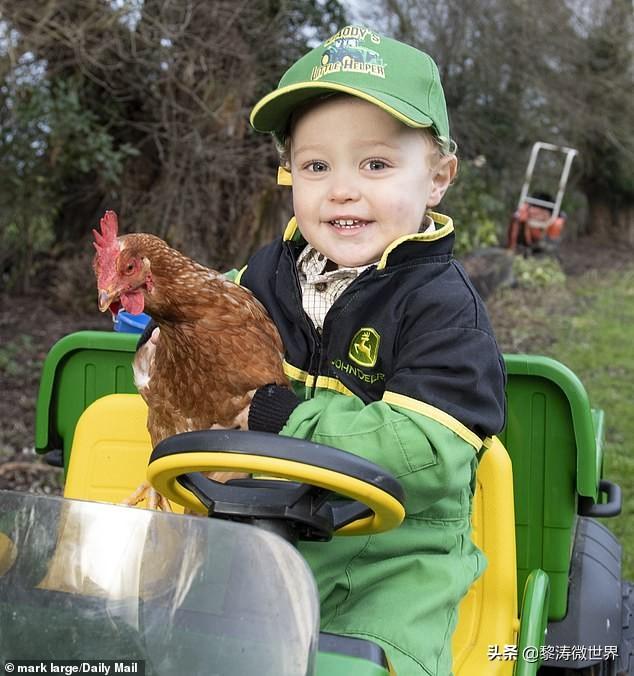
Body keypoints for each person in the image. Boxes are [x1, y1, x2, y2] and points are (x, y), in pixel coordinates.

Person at [141, 24, 506, 676]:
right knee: (145, 644)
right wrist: (169, 348)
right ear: (289, 175)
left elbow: (425, 455)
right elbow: (206, 346)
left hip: (386, 567)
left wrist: (279, 418)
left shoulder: (444, 312)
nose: (341, 189)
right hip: (253, 544)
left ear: (438, 178)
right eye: (316, 166)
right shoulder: (263, 275)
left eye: (376, 164)